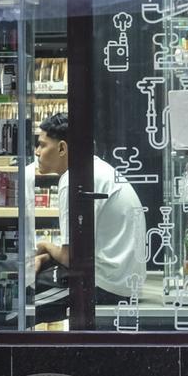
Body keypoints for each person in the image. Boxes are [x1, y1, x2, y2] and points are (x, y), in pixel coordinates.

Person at [31, 112, 147, 326]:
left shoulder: (74, 180)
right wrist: (47, 257)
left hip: (105, 285)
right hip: (120, 281)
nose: (37, 152)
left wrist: (45, 246)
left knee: (16, 304)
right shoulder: (96, 170)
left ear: (62, 148)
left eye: (42, 145)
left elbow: (71, 258)